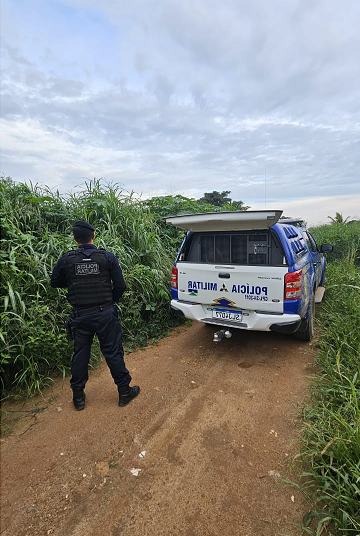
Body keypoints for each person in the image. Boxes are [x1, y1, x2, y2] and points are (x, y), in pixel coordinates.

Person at [51, 220, 140, 410]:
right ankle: (124, 392)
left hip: (80, 315)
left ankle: (78, 398)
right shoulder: (107, 257)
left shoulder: (67, 259)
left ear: (75, 239)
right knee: (113, 352)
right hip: (105, 314)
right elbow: (121, 286)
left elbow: (54, 282)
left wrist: (75, 283)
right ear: (93, 236)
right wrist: (110, 302)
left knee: (80, 354)